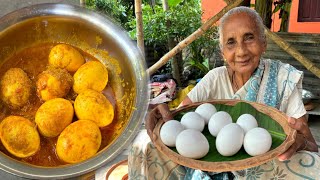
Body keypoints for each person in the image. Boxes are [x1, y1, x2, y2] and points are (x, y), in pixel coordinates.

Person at [128, 6, 319, 179]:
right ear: (222, 52)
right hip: (208, 172)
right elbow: (181, 123)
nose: (241, 51)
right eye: (231, 42)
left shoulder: (283, 78)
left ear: (264, 43)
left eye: (249, 37)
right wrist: (161, 118)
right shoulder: (214, 79)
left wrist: (302, 142)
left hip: (267, 172)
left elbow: (312, 146)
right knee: (144, 146)